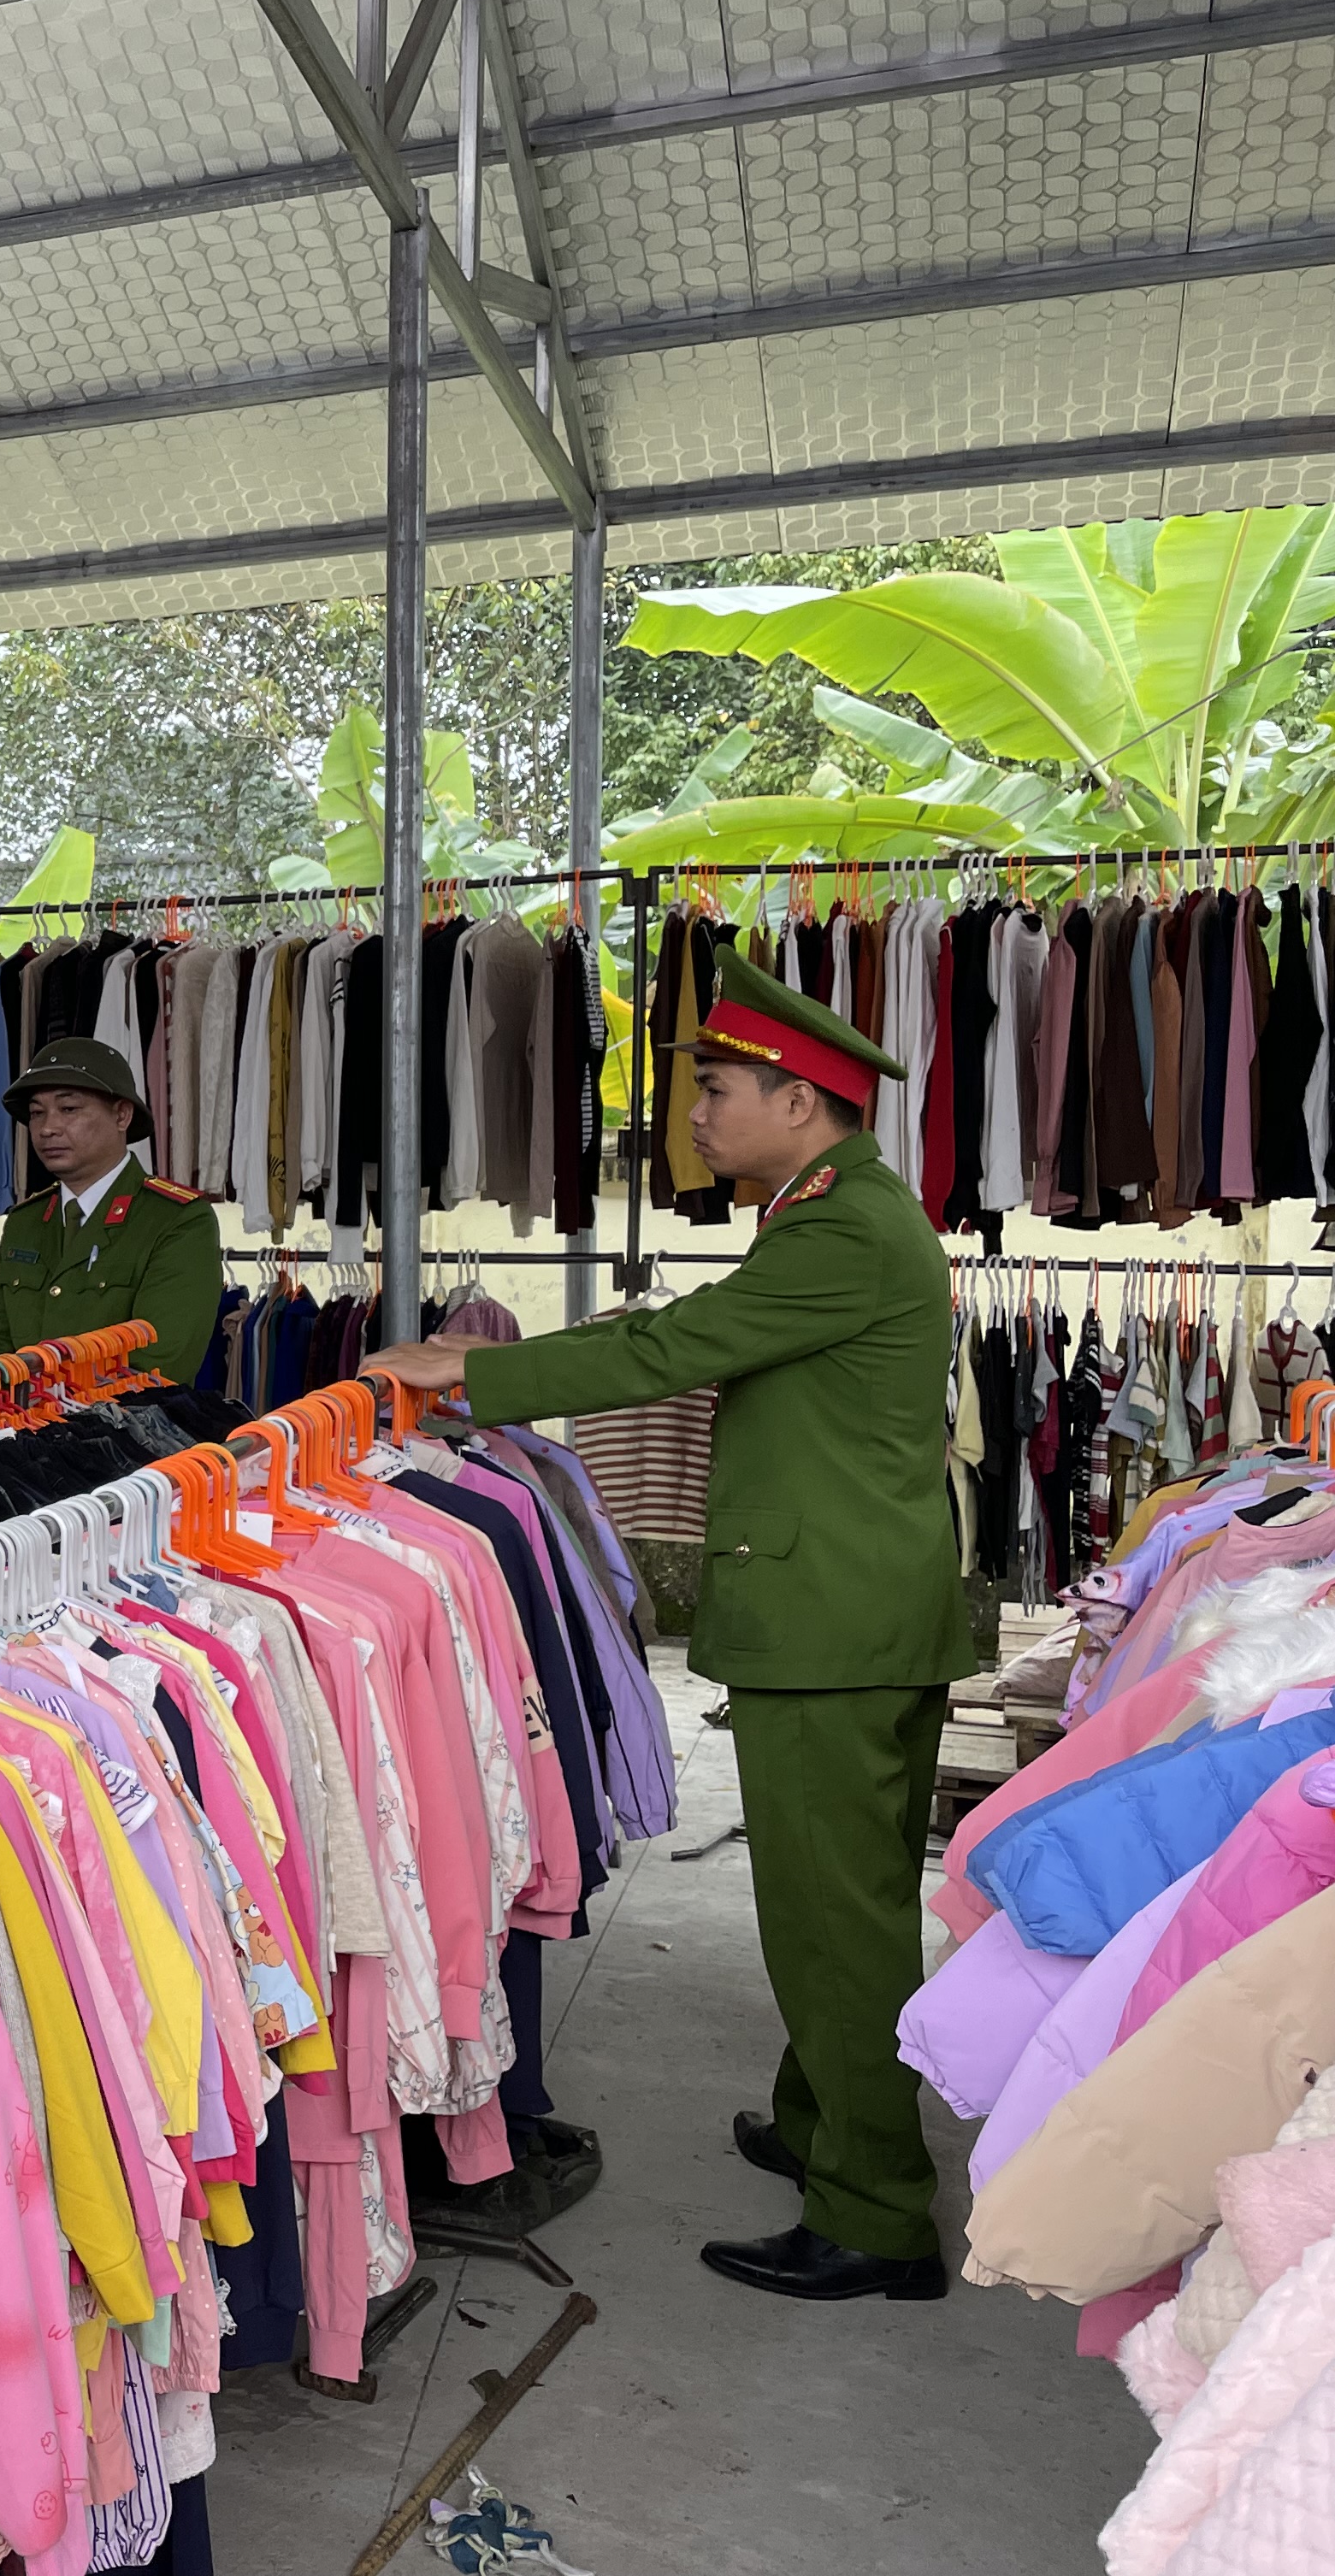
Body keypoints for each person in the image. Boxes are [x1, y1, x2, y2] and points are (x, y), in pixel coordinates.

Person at [369, 943, 972, 2304]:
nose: (693, 1114)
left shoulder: (844, 1228)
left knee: (835, 1923)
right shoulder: (836, 1212)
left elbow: (671, 1352)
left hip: (834, 1626)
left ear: (800, 1099)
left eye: (716, 1088)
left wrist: (469, 1372)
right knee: (838, 1907)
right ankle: (826, 2126)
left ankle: (876, 2215)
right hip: (853, 1608)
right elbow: (695, 1327)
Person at [0, 1035, 222, 1387]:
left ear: (122, 1115)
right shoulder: (25, 1222)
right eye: (37, 1113)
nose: (47, 1128)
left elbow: (161, 1365)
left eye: (68, 1109)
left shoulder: (178, 1220)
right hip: (18, 1434)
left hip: (125, 1436)